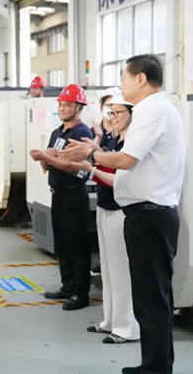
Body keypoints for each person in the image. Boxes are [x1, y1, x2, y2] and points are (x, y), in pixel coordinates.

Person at [59, 55, 185, 374]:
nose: (121, 84)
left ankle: (156, 368)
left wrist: (92, 153)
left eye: (124, 78)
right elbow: (130, 170)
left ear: (141, 79)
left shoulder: (152, 110)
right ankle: (153, 364)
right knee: (148, 296)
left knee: (152, 298)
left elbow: (127, 160)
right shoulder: (153, 110)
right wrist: (91, 162)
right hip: (145, 215)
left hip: (150, 216)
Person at [73, 93, 140, 345]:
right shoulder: (114, 138)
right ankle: (110, 320)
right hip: (105, 205)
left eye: (118, 112)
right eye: (110, 112)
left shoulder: (131, 144)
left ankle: (127, 327)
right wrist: (94, 151)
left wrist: (91, 167)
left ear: (132, 113)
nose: (113, 117)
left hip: (121, 208)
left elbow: (119, 179)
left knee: (122, 271)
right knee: (109, 270)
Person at [28, 84, 93, 311]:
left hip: (74, 195)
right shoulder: (57, 132)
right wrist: (43, 158)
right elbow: (48, 166)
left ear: (79, 107)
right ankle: (68, 285)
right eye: (61, 104)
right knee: (63, 244)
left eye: (68, 105)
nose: (63, 108)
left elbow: (75, 167)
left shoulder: (82, 133)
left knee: (77, 245)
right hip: (57, 195)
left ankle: (81, 293)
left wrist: (48, 157)